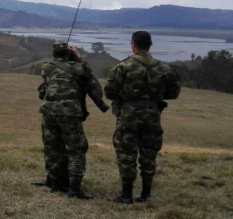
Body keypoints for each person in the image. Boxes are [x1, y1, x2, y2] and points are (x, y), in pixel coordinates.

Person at [104, 31, 181, 204]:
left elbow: (109, 92)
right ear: (150, 45)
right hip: (153, 116)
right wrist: (154, 97)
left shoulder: (123, 67)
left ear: (133, 44)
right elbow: (174, 92)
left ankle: (126, 194)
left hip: (128, 116)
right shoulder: (164, 68)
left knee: (126, 153)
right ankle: (145, 194)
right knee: (149, 154)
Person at [39, 41, 109, 199]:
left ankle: (56, 183)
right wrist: (79, 57)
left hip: (49, 112)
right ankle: (74, 188)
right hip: (70, 114)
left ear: (53, 54)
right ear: (69, 54)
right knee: (76, 149)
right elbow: (92, 82)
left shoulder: (46, 68)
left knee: (52, 147)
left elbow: (43, 90)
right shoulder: (79, 68)